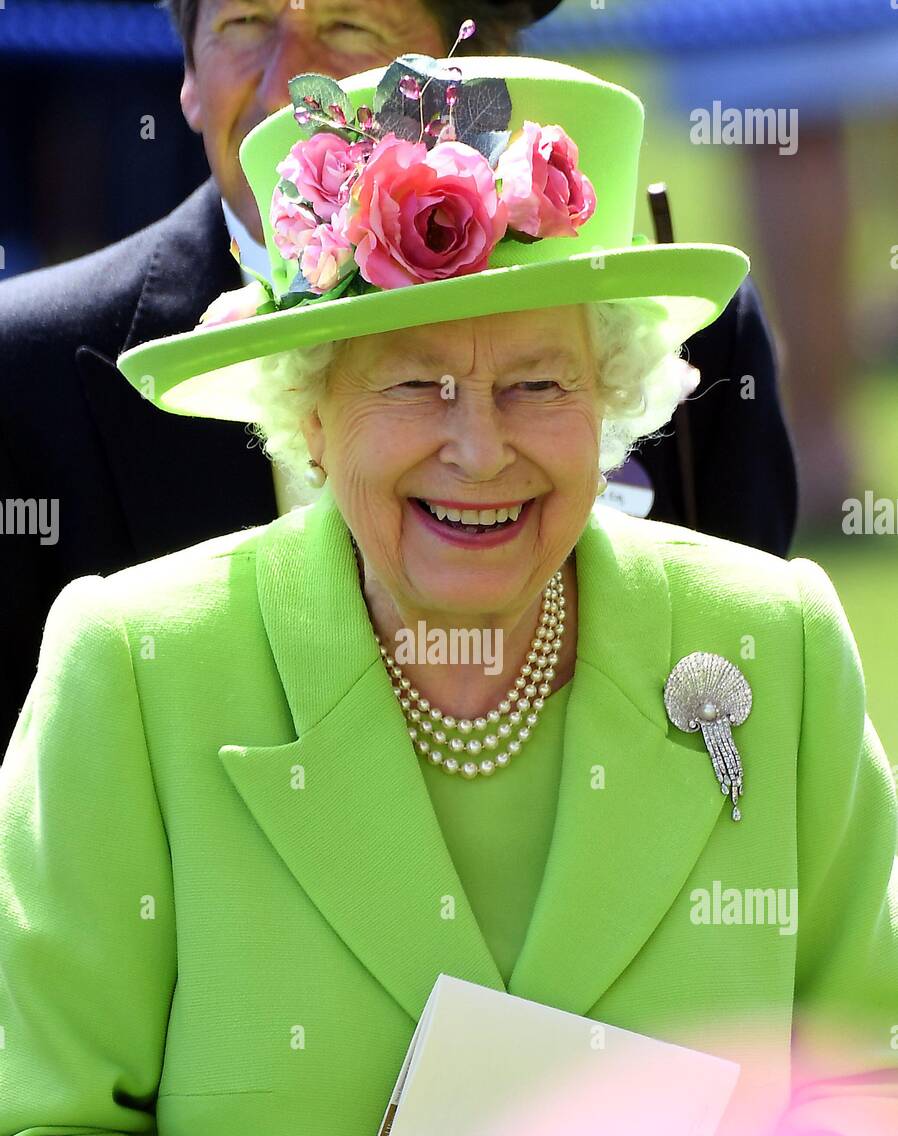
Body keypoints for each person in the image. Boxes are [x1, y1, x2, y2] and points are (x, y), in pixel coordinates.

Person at [2, 51, 890, 1136]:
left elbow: (876, 1082)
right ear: (309, 414)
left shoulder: (770, 644)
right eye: (415, 384)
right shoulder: (140, 675)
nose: (480, 449)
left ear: (614, 400)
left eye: (538, 384)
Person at [0, 0, 796, 760]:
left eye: (350, 24)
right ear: (187, 74)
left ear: (479, 71)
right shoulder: (27, 374)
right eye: (243, 23)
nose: (286, 84)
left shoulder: (694, 340)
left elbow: (748, 730)